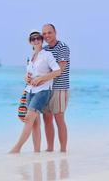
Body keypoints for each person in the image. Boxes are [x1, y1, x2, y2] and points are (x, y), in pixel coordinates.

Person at [9, 30, 61, 153]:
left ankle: (16, 148)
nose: (36, 40)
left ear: (42, 40)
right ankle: (36, 152)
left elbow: (57, 71)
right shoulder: (30, 57)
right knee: (35, 123)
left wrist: (42, 78)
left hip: (42, 91)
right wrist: (26, 78)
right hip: (30, 90)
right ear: (30, 42)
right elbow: (29, 74)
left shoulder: (47, 55)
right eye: (33, 39)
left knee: (28, 119)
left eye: (38, 38)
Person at [42, 24, 70, 152]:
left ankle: (63, 150)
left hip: (59, 88)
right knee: (46, 119)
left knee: (59, 119)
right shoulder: (44, 50)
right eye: (45, 33)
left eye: (49, 32)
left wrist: (41, 78)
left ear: (55, 32)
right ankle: (49, 149)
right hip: (45, 89)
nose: (47, 35)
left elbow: (59, 70)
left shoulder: (62, 47)